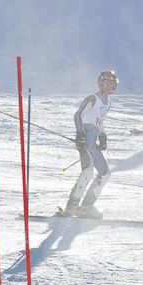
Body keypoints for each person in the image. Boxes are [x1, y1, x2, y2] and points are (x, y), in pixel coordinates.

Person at [56, 71, 118, 219]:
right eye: (107, 83)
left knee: (105, 173)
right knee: (88, 172)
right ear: (100, 83)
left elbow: (100, 120)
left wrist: (102, 135)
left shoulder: (108, 103)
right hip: (85, 139)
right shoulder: (93, 98)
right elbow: (77, 115)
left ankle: (86, 207)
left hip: (93, 139)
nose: (109, 87)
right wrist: (80, 134)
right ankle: (71, 208)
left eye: (112, 84)